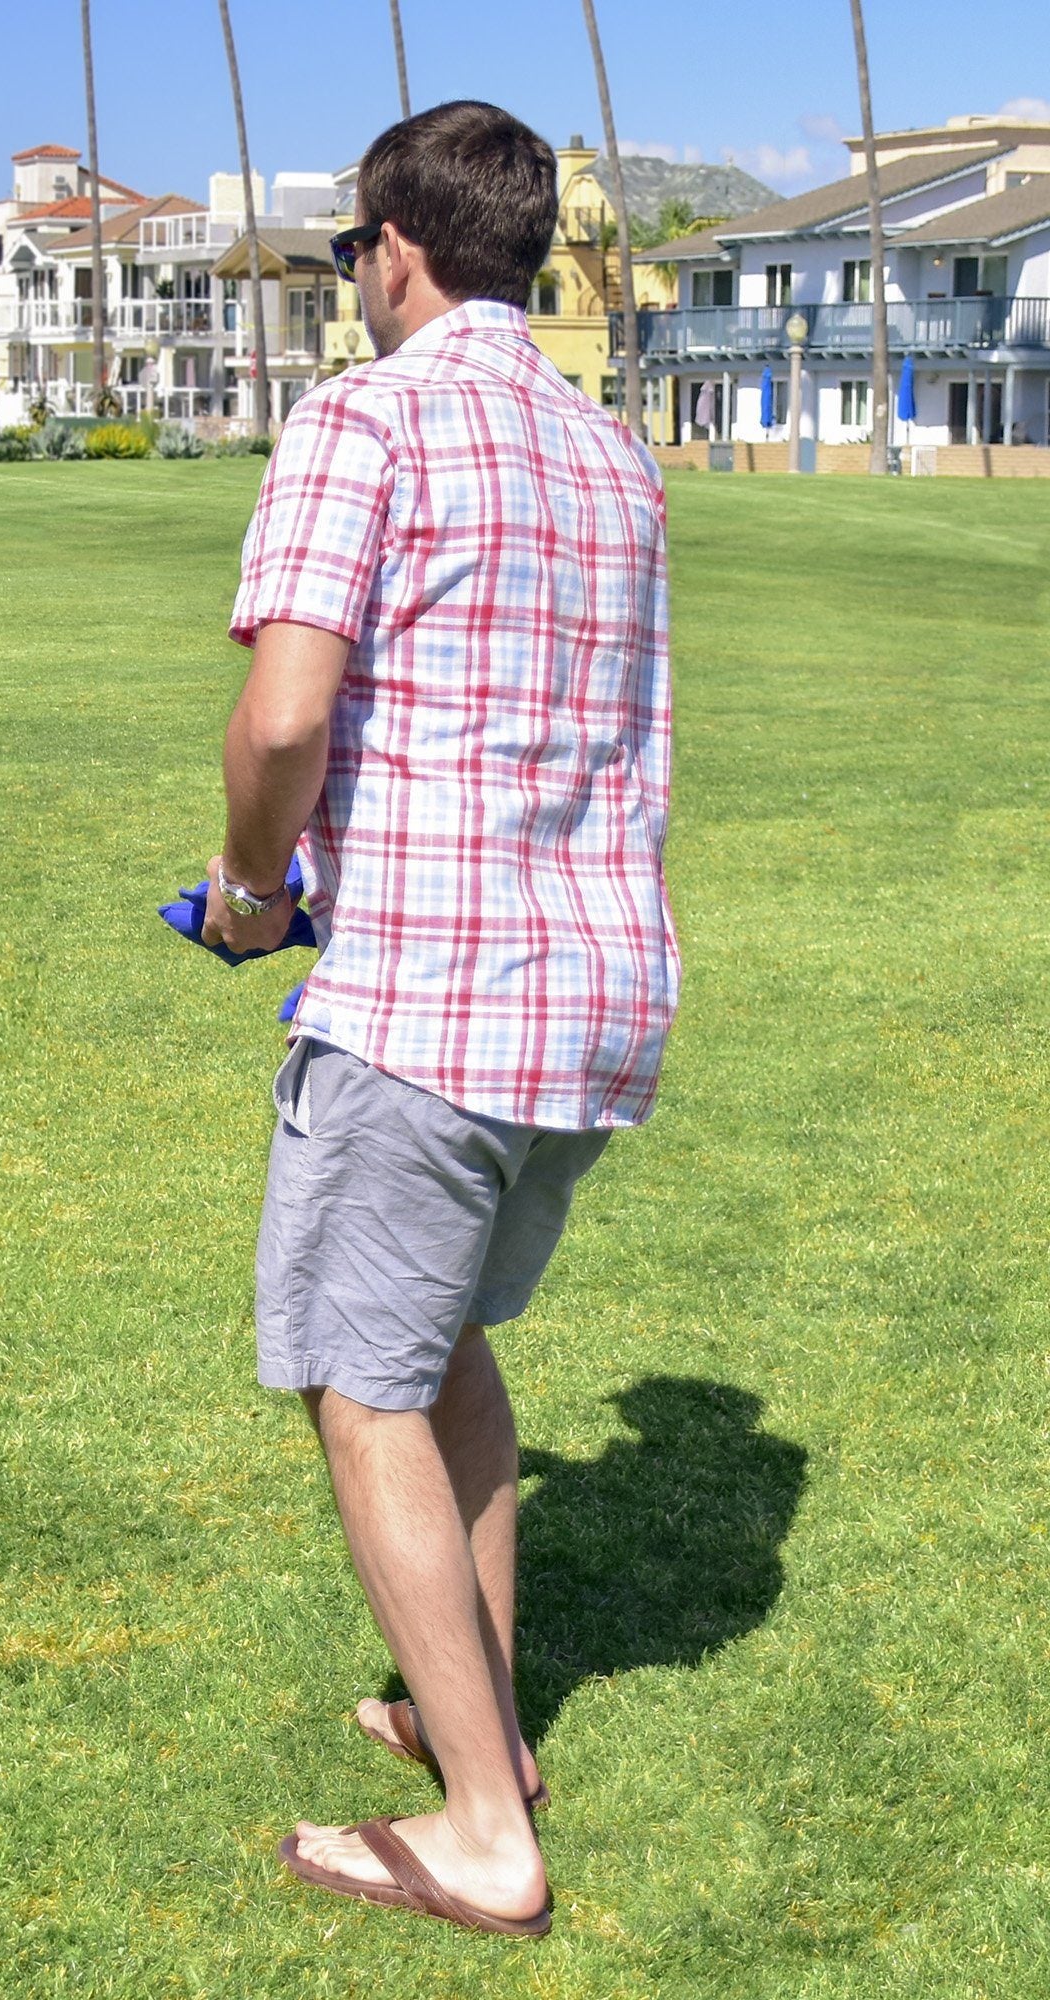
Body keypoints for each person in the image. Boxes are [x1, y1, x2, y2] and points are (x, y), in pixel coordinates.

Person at [201, 99, 678, 1938]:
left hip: (429, 994)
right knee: (449, 1346)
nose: (352, 279)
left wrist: (252, 892)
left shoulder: (365, 419)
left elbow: (285, 720)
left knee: (361, 1384)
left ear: (395, 250)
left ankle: (486, 1827)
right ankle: (479, 1726)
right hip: (591, 1001)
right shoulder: (609, 448)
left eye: (347, 251)